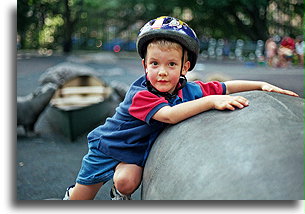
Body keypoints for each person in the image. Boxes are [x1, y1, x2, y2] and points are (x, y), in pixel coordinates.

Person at [63, 16, 298, 200]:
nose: (162, 71)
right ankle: (71, 196)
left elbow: (225, 87)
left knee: (127, 181)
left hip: (135, 151)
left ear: (185, 67)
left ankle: (119, 194)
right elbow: (169, 115)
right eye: (155, 64)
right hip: (109, 147)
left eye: (171, 64)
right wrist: (210, 102)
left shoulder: (188, 89)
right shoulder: (141, 95)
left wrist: (261, 85)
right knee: (81, 199)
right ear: (145, 65)